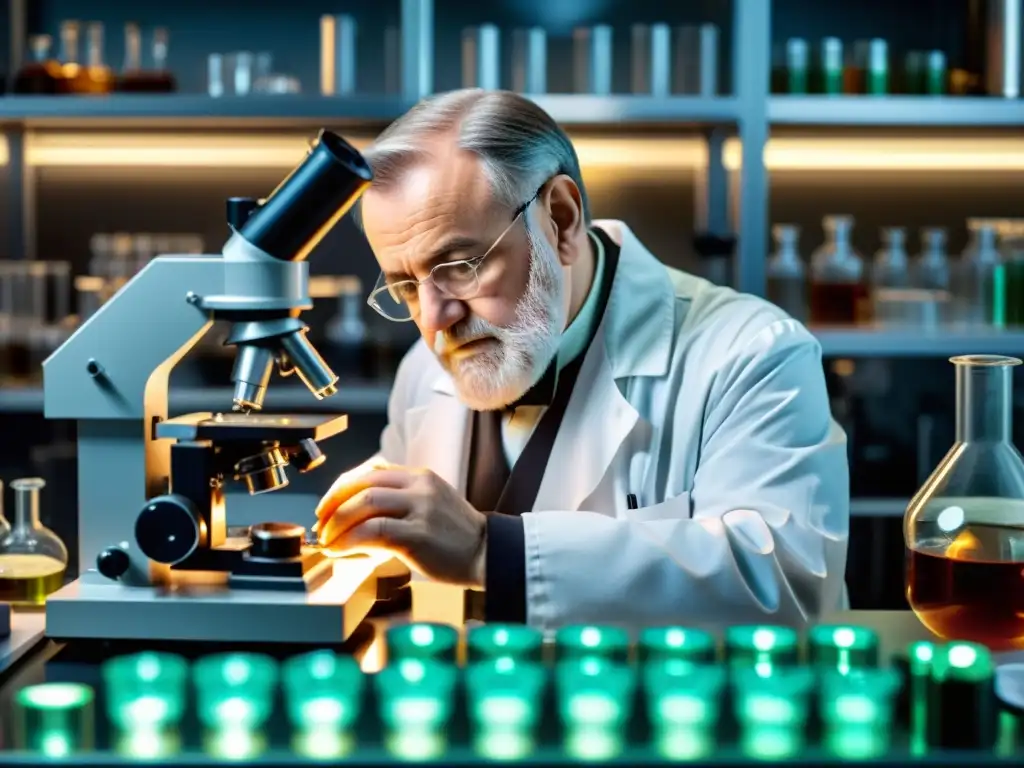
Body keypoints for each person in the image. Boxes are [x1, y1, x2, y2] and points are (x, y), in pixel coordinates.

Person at [313, 88, 850, 630]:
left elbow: (784, 586)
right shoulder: (421, 372)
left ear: (561, 221)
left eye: (460, 266)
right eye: (407, 286)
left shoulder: (751, 352)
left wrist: (487, 549)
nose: (434, 319)